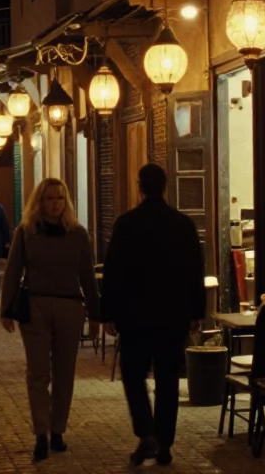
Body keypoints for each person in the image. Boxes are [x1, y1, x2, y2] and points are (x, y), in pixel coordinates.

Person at [102, 163, 205, 466]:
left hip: (134, 317)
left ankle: (146, 432)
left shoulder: (126, 224)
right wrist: (196, 312)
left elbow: (113, 273)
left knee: (132, 375)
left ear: (139, 187)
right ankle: (164, 442)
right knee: (168, 378)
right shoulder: (183, 225)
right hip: (172, 316)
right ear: (166, 186)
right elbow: (194, 271)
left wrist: (108, 312)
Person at [0, 178, 100, 462]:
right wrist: (6, 309)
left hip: (70, 307)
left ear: (65, 201)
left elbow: (87, 277)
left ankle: (58, 429)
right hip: (36, 307)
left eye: (59, 198)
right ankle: (41, 432)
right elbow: (13, 271)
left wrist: (95, 314)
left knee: (64, 372)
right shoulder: (26, 232)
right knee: (38, 372)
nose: (54, 204)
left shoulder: (78, 235)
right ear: (39, 202)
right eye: (49, 199)